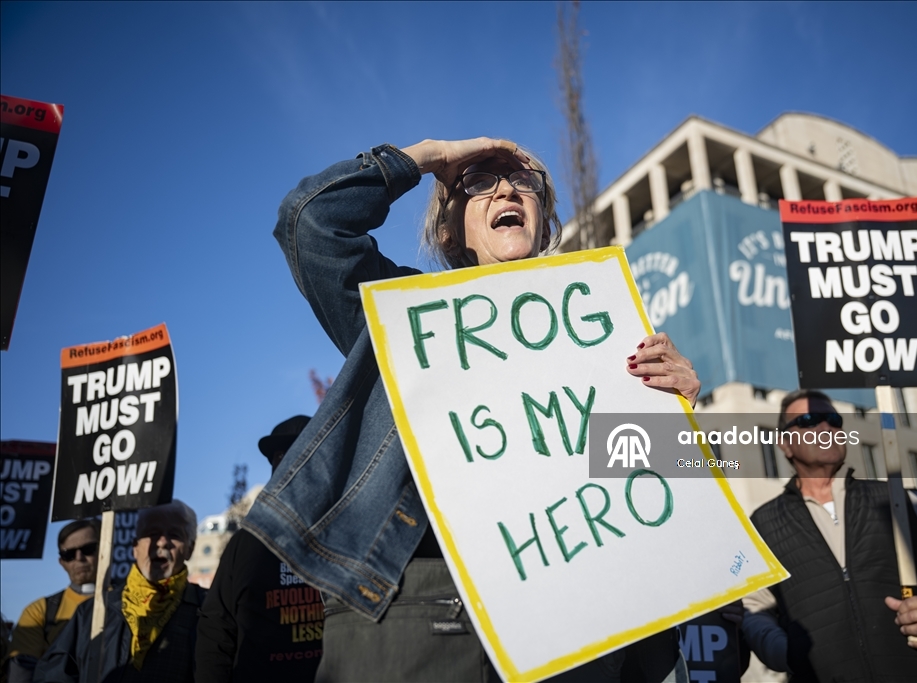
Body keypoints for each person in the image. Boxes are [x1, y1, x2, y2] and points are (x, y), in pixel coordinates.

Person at [242, 139, 700, 682]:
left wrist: (685, 412)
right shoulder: (402, 317)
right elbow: (309, 222)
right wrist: (430, 157)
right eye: (479, 182)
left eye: (523, 181)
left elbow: (653, 491)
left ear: (545, 223)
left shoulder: (604, 335)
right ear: (448, 231)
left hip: (577, 624)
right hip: (426, 617)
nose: (507, 188)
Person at [741, 389, 917, 682]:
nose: (826, 427)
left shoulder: (899, 501)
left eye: (833, 419)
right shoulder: (762, 523)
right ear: (785, 444)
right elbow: (753, 607)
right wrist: (783, 651)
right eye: (808, 420)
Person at [195, 415, 322, 683]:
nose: (294, 465)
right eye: (282, 456)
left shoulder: (352, 534)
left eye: (309, 452)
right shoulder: (245, 544)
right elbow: (216, 631)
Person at [35, 500, 206, 683]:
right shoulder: (93, 613)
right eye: (152, 533)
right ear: (135, 547)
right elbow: (54, 675)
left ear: (190, 549)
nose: (162, 542)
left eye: (174, 535)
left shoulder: (209, 610)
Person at [5, 520, 99, 683]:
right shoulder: (38, 611)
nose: (79, 558)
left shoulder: (131, 603)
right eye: (68, 554)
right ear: (61, 562)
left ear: (105, 549)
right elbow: (21, 674)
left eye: (88, 549)